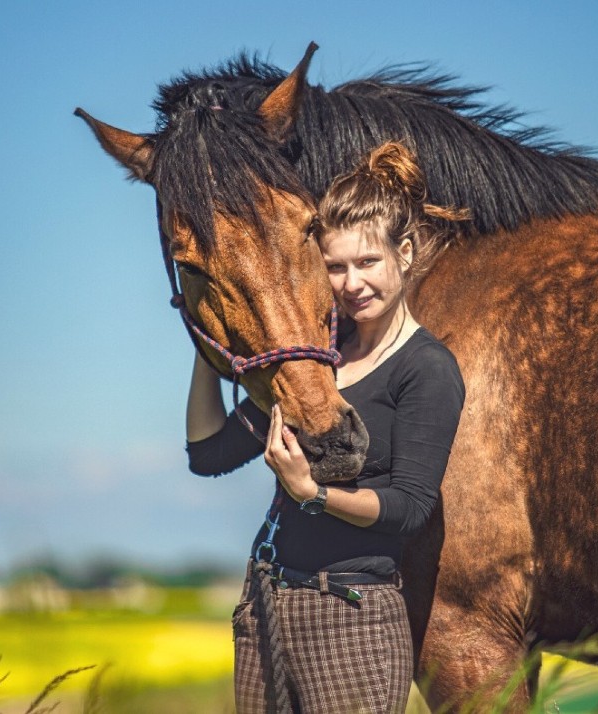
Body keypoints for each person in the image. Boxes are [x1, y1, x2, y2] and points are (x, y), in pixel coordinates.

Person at [186, 142, 466, 713]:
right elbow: (209, 452)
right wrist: (207, 335)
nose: (351, 283)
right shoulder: (315, 364)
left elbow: (409, 507)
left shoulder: (427, 367)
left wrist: (311, 494)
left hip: (352, 616)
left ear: (404, 255)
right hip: (266, 603)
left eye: (367, 263)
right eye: (334, 267)